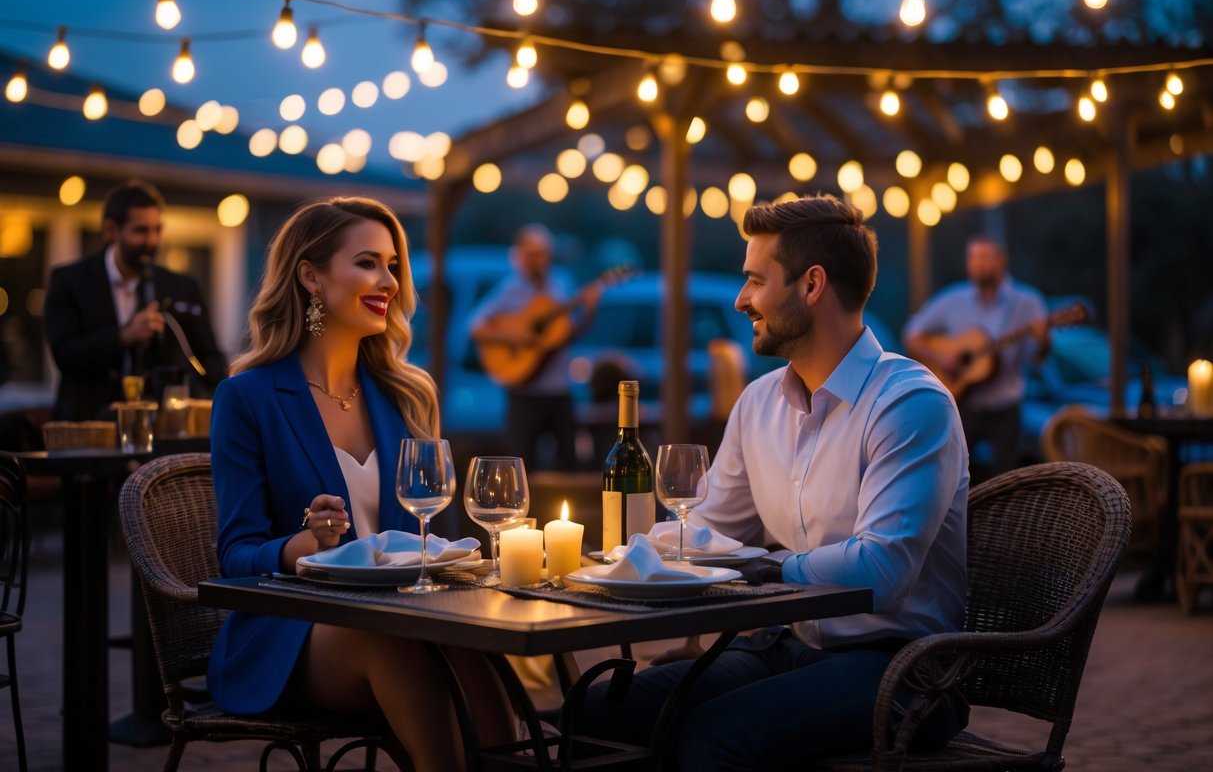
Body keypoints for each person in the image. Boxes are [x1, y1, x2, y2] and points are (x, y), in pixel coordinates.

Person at [581, 194, 970, 769]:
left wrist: (768, 568)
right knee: (597, 711)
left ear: (812, 285)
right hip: (784, 645)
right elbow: (704, 532)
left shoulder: (909, 403)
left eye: (756, 280)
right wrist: (618, 556)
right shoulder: (758, 402)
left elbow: (882, 572)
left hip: (902, 671)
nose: (741, 299)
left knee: (713, 737)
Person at [207, 197, 513, 770]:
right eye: (368, 263)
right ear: (311, 277)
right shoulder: (247, 398)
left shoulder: (405, 395)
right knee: (391, 635)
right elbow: (236, 556)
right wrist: (303, 546)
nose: (389, 282)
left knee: (475, 640)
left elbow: (433, 541)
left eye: (392, 265)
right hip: (292, 636)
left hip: (408, 619)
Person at [43, 179, 227, 420]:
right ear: (111, 230)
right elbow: (64, 354)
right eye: (141, 231)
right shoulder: (70, 281)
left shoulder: (181, 287)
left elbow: (209, 358)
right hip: (87, 423)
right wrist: (123, 336)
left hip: (161, 425)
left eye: (157, 230)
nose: (152, 241)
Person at [904, 234, 1050, 479]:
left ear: (1001, 260)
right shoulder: (953, 299)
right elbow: (911, 334)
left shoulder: (1026, 303)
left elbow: (1036, 358)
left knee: (1007, 479)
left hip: (1006, 410)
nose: (977, 264)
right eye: (972, 258)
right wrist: (941, 358)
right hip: (964, 405)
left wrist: (1044, 341)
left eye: (984, 257)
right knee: (952, 475)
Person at [468, 224, 599, 470]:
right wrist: (515, 338)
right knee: (521, 463)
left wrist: (590, 310)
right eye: (532, 254)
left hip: (559, 389)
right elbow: (476, 327)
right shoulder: (511, 289)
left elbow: (567, 334)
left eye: (542, 254)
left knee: (568, 462)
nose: (538, 260)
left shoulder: (562, 283)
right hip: (524, 392)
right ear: (521, 256)